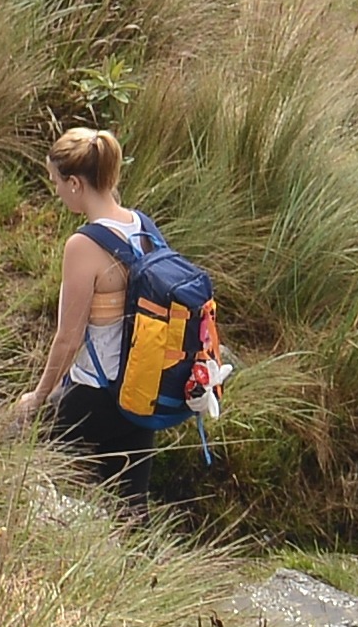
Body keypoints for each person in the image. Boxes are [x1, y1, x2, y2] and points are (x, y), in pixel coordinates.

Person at [32, 124, 229, 490]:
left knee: (23, 469)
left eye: (56, 181)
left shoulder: (83, 245)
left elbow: (69, 339)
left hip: (95, 392)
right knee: (131, 510)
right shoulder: (144, 227)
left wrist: (39, 396)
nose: (57, 191)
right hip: (142, 391)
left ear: (75, 183)